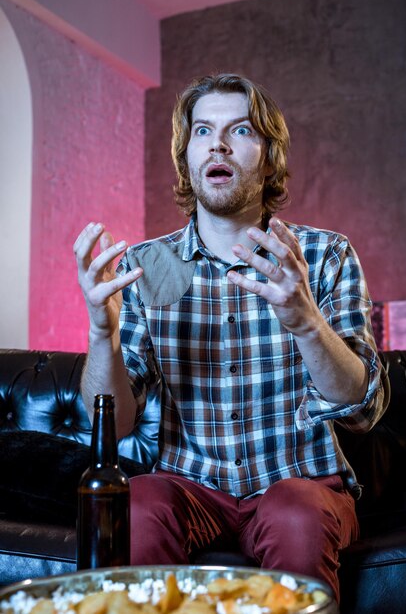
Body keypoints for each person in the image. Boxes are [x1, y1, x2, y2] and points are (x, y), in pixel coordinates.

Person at [74, 73, 387, 602]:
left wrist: (305, 320)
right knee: (138, 503)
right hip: (188, 485)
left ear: (268, 156)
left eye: (240, 130)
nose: (218, 143)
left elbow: (361, 409)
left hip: (300, 481)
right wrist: (101, 332)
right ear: (187, 155)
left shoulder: (325, 256)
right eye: (202, 131)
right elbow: (116, 424)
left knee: (295, 514)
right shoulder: (147, 267)